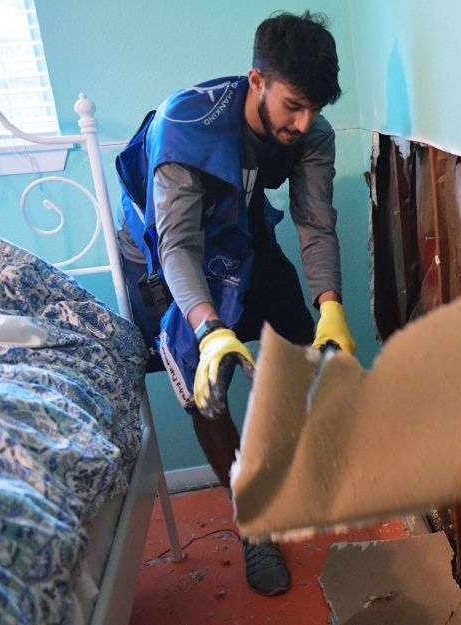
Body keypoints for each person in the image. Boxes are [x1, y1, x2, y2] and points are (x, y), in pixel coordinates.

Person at [114, 11, 355, 597]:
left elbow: (316, 226)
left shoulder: (311, 133)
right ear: (256, 81)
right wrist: (208, 327)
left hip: (243, 233)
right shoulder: (185, 124)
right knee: (208, 380)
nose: (303, 122)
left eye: (315, 110)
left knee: (306, 350)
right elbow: (177, 245)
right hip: (163, 251)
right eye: (293, 105)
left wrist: (331, 308)